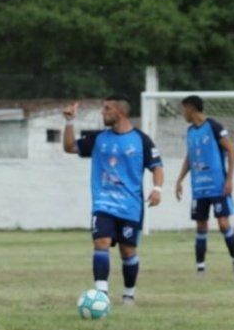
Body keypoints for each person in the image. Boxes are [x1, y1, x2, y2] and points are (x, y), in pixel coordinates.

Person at [62, 95, 164, 306]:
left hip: (130, 206)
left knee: (128, 251)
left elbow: (157, 167)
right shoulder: (99, 138)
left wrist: (157, 189)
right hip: (103, 204)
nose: (103, 112)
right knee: (101, 242)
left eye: (107, 109)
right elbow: (70, 147)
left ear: (121, 112)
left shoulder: (141, 140)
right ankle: (102, 296)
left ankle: (128, 295)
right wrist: (69, 121)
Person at [174, 95, 234, 280]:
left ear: (191, 108)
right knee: (201, 226)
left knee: (223, 223)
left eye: (184, 109)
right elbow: (190, 157)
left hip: (218, 185)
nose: (183, 113)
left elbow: (231, 150)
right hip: (199, 187)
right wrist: (180, 179)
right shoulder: (190, 131)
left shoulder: (214, 126)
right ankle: (200, 270)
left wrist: (229, 179)